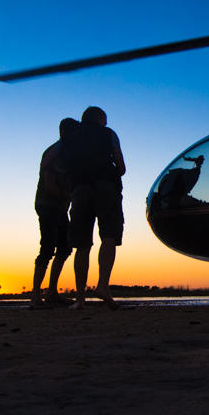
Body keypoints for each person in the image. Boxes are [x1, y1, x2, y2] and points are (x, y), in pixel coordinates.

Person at [65, 106, 125, 306]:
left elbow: (66, 167)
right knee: (109, 236)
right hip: (106, 187)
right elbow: (121, 166)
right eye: (105, 119)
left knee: (82, 244)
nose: (106, 123)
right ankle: (102, 286)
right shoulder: (108, 134)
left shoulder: (72, 138)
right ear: (99, 118)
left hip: (79, 190)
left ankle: (80, 298)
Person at [30, 117, 79, 306]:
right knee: (47, 248)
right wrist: (71, 195)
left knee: (65, 248)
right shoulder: (56, 153)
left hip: (59, 207)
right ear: (66, 132)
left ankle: (51, 292)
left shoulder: (65, 152)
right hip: (48, 205)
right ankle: (36, 295)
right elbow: (50, 185)